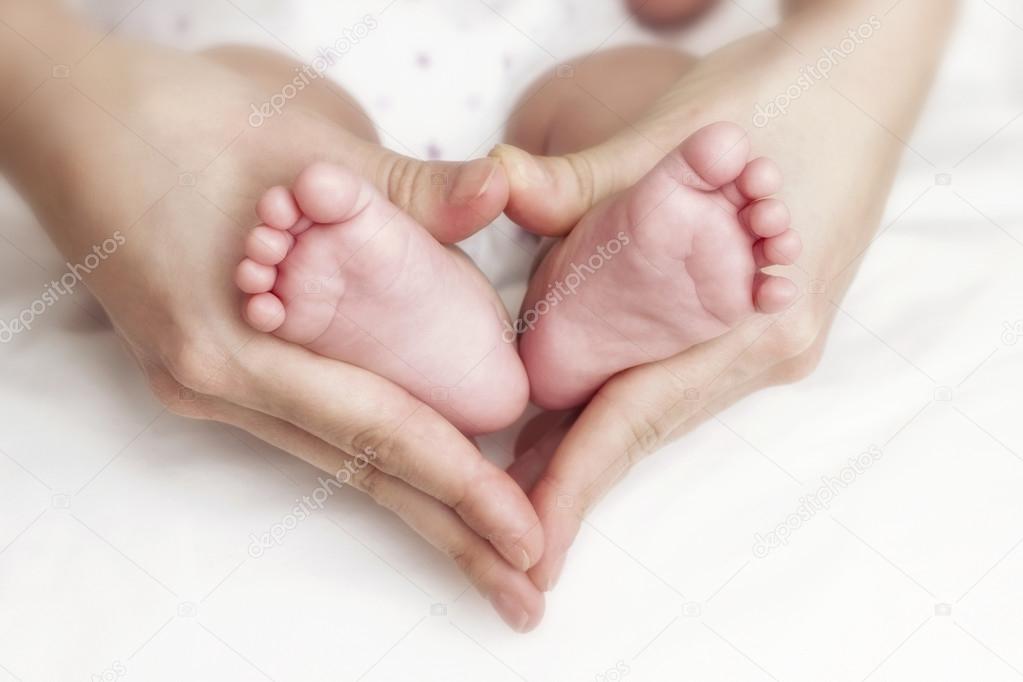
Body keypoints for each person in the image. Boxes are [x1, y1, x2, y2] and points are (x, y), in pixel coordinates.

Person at [0, 0, 956, 631]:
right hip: (239, 104)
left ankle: (603, 267)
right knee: (273, 113)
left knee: (638, 98)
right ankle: (420, 308)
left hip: (558, 72)